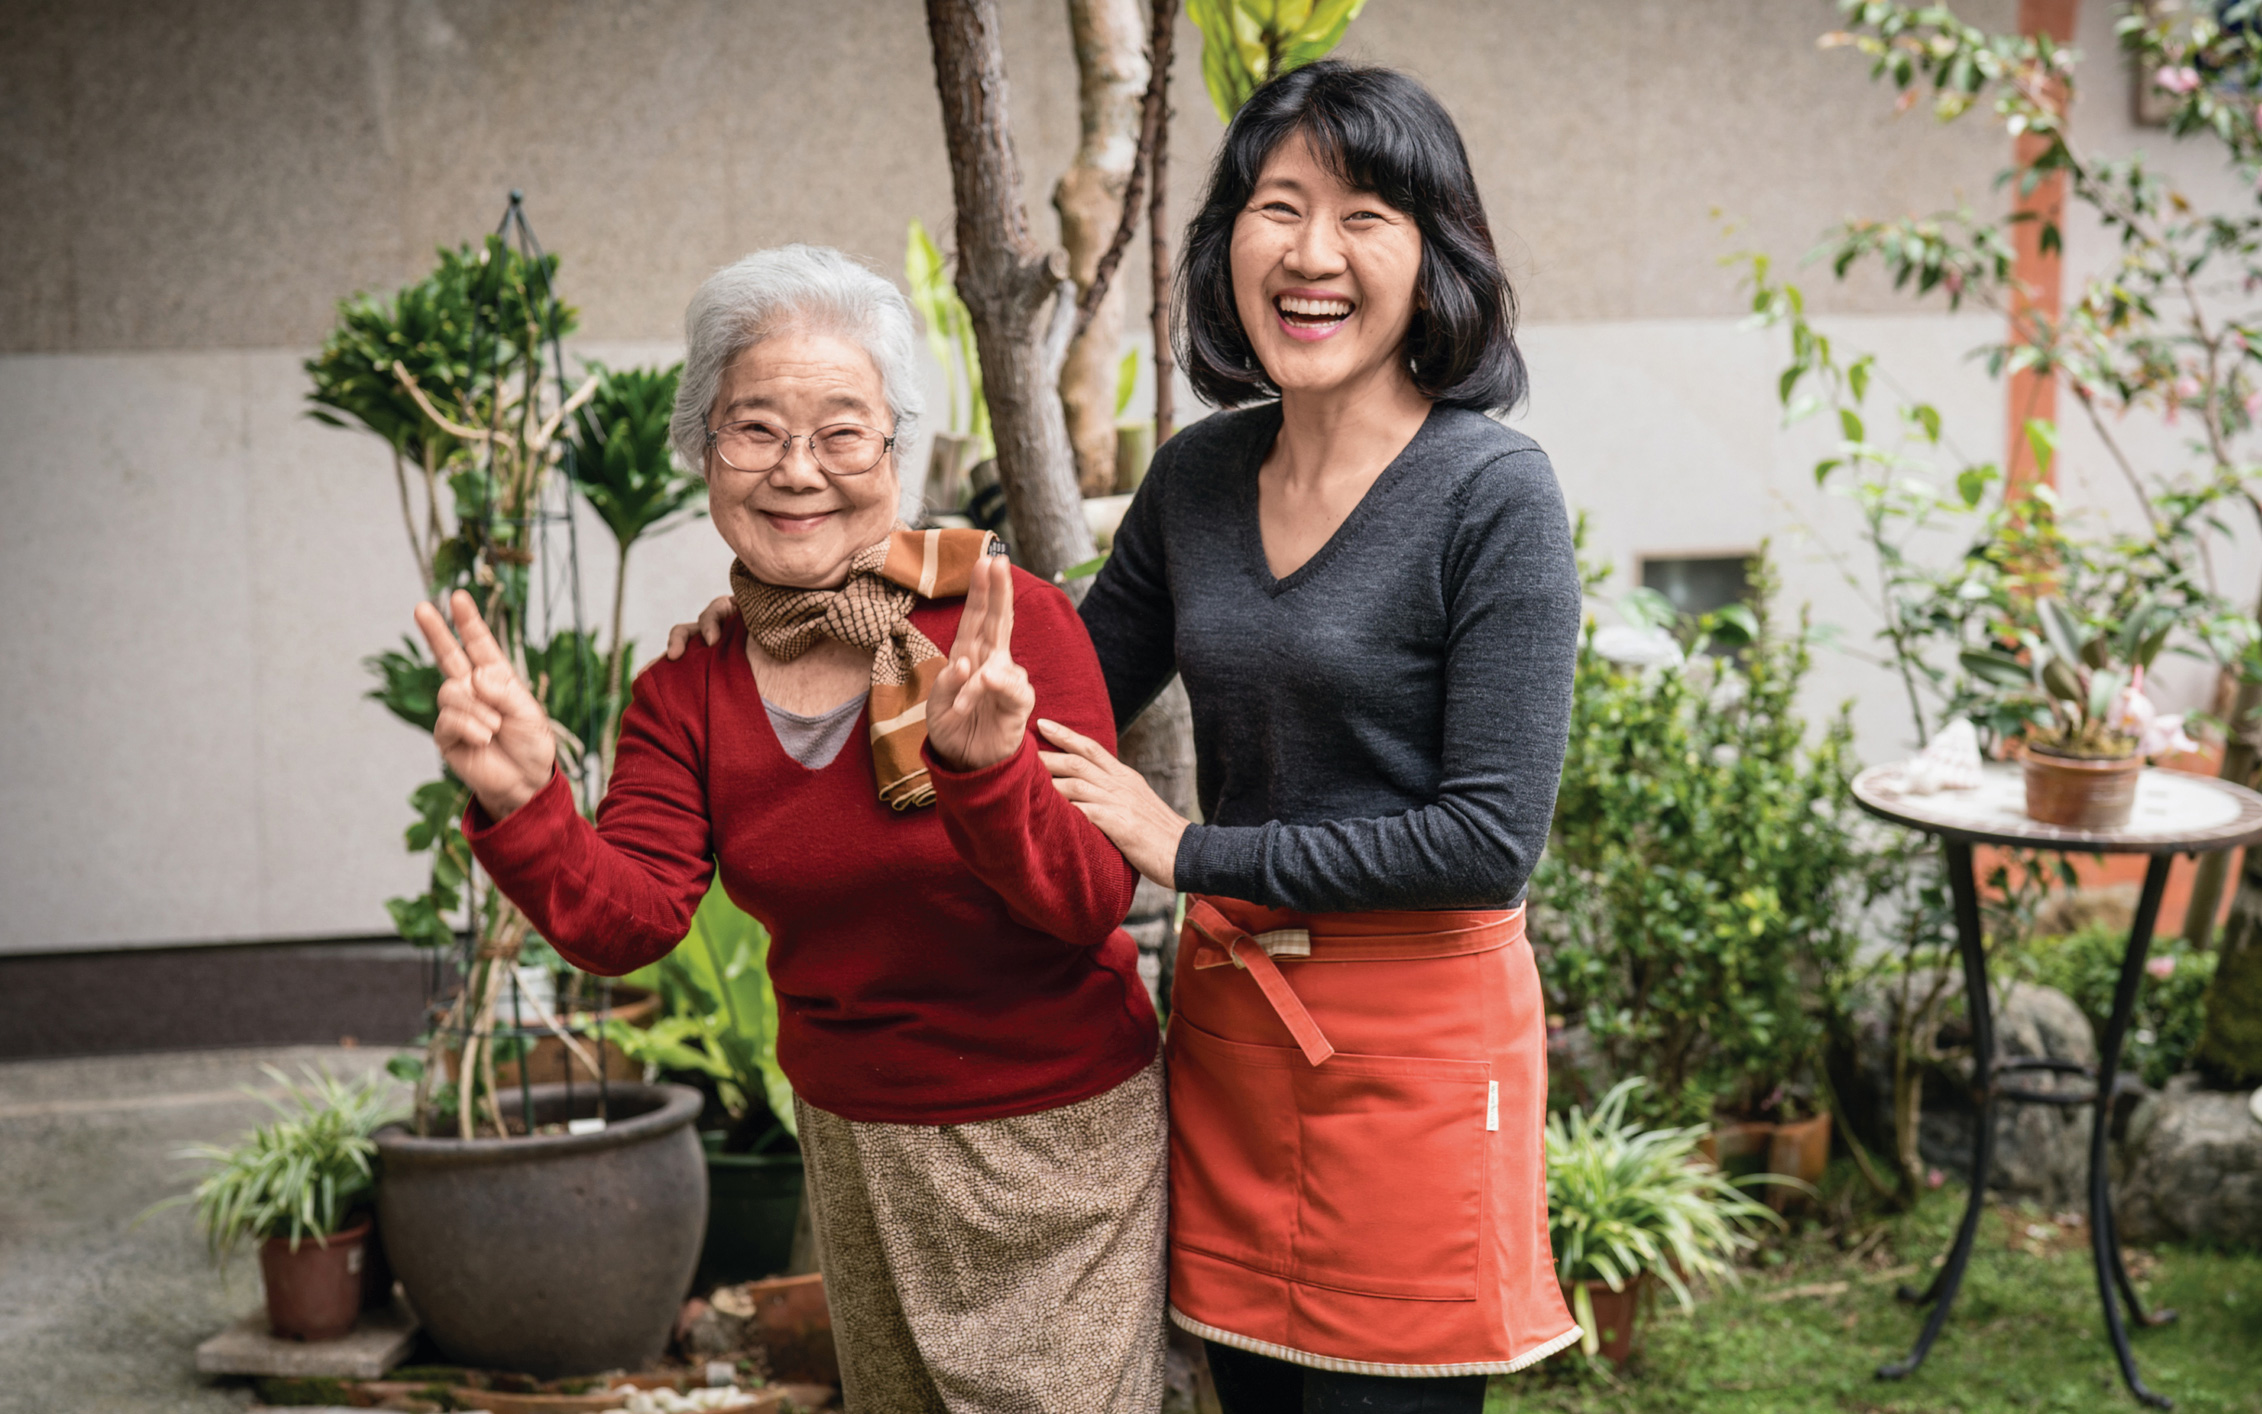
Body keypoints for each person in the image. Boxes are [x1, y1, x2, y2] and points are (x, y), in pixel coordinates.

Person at [672, 64, 1581, 1412]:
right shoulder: (1201, 476)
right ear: (1230, 247)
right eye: (1280, 206)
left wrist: (1186, 846)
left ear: (1434, 259)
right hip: (1227, 1044)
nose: (1313, 252)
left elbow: (1487, 840)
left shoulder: (1492, 493)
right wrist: (809, 599)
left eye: (1365, 215)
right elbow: (1045, 674)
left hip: (1411, 1050)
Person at [416, 245, 1166, 1414]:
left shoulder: (1006, 625)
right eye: (755, 428)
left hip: (1055, 1143)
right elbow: (631, 920)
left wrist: (986, 772)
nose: (798, 470)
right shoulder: (689, 689)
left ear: (897, 446)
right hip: (857, 1148)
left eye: (842, 432)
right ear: (702, 448)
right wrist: (527, 802)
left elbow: (1088, 903)